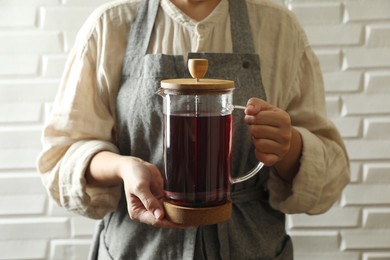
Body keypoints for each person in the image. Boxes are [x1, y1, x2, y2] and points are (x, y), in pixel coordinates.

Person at [37, 0, 350, 259]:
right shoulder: (110, 25)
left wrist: (289, 146)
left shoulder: (279, 28)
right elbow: (63, 157)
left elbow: (331, 175)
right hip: (137, 248)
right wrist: (123, 167)